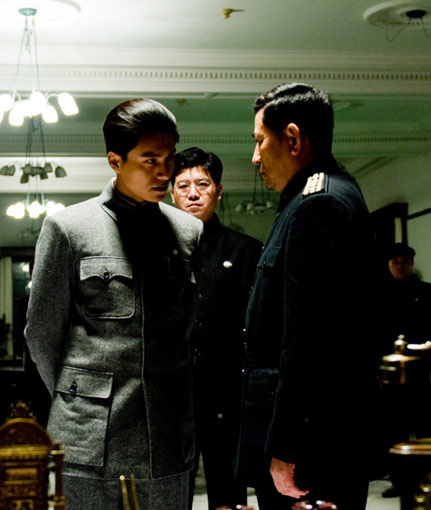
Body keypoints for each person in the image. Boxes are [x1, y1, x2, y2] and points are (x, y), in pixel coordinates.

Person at [25, 98, 203, 510]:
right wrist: (78, 395)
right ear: (115, 161)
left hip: (165, 429)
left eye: (170, 159)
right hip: (87, 432)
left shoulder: (187, 231)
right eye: (150, 160)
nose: (165, 172)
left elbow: (186, 327)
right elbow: (42, 334)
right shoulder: (68, 228)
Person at [243, 82, 382, 510]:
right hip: (321, 433)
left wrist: (286, 445)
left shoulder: (316, 206)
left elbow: (309, 339)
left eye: (260, 141)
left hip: (312, 443)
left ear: (292, 139)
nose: (255, 157)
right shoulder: (326, 194)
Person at [170, 147, 262, 510]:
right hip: (172, 395)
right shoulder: (155, 254)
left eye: (203, 184)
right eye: (183, 185)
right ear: (171, 193)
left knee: (227, 493)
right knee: (171, 491)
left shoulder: (246, 251)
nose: (193, 193)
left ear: (219, 191)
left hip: (227, 394)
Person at [380, 242, 431, 498]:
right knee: (394, 426)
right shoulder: (378, 295)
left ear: (411, 263)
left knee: (424, 425)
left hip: (422, 369)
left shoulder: (426, 292)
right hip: (390, 372)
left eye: (405, 262)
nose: (401, 266)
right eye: (395, 262)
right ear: (389, 265)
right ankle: (399, 481)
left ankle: (425, 478)